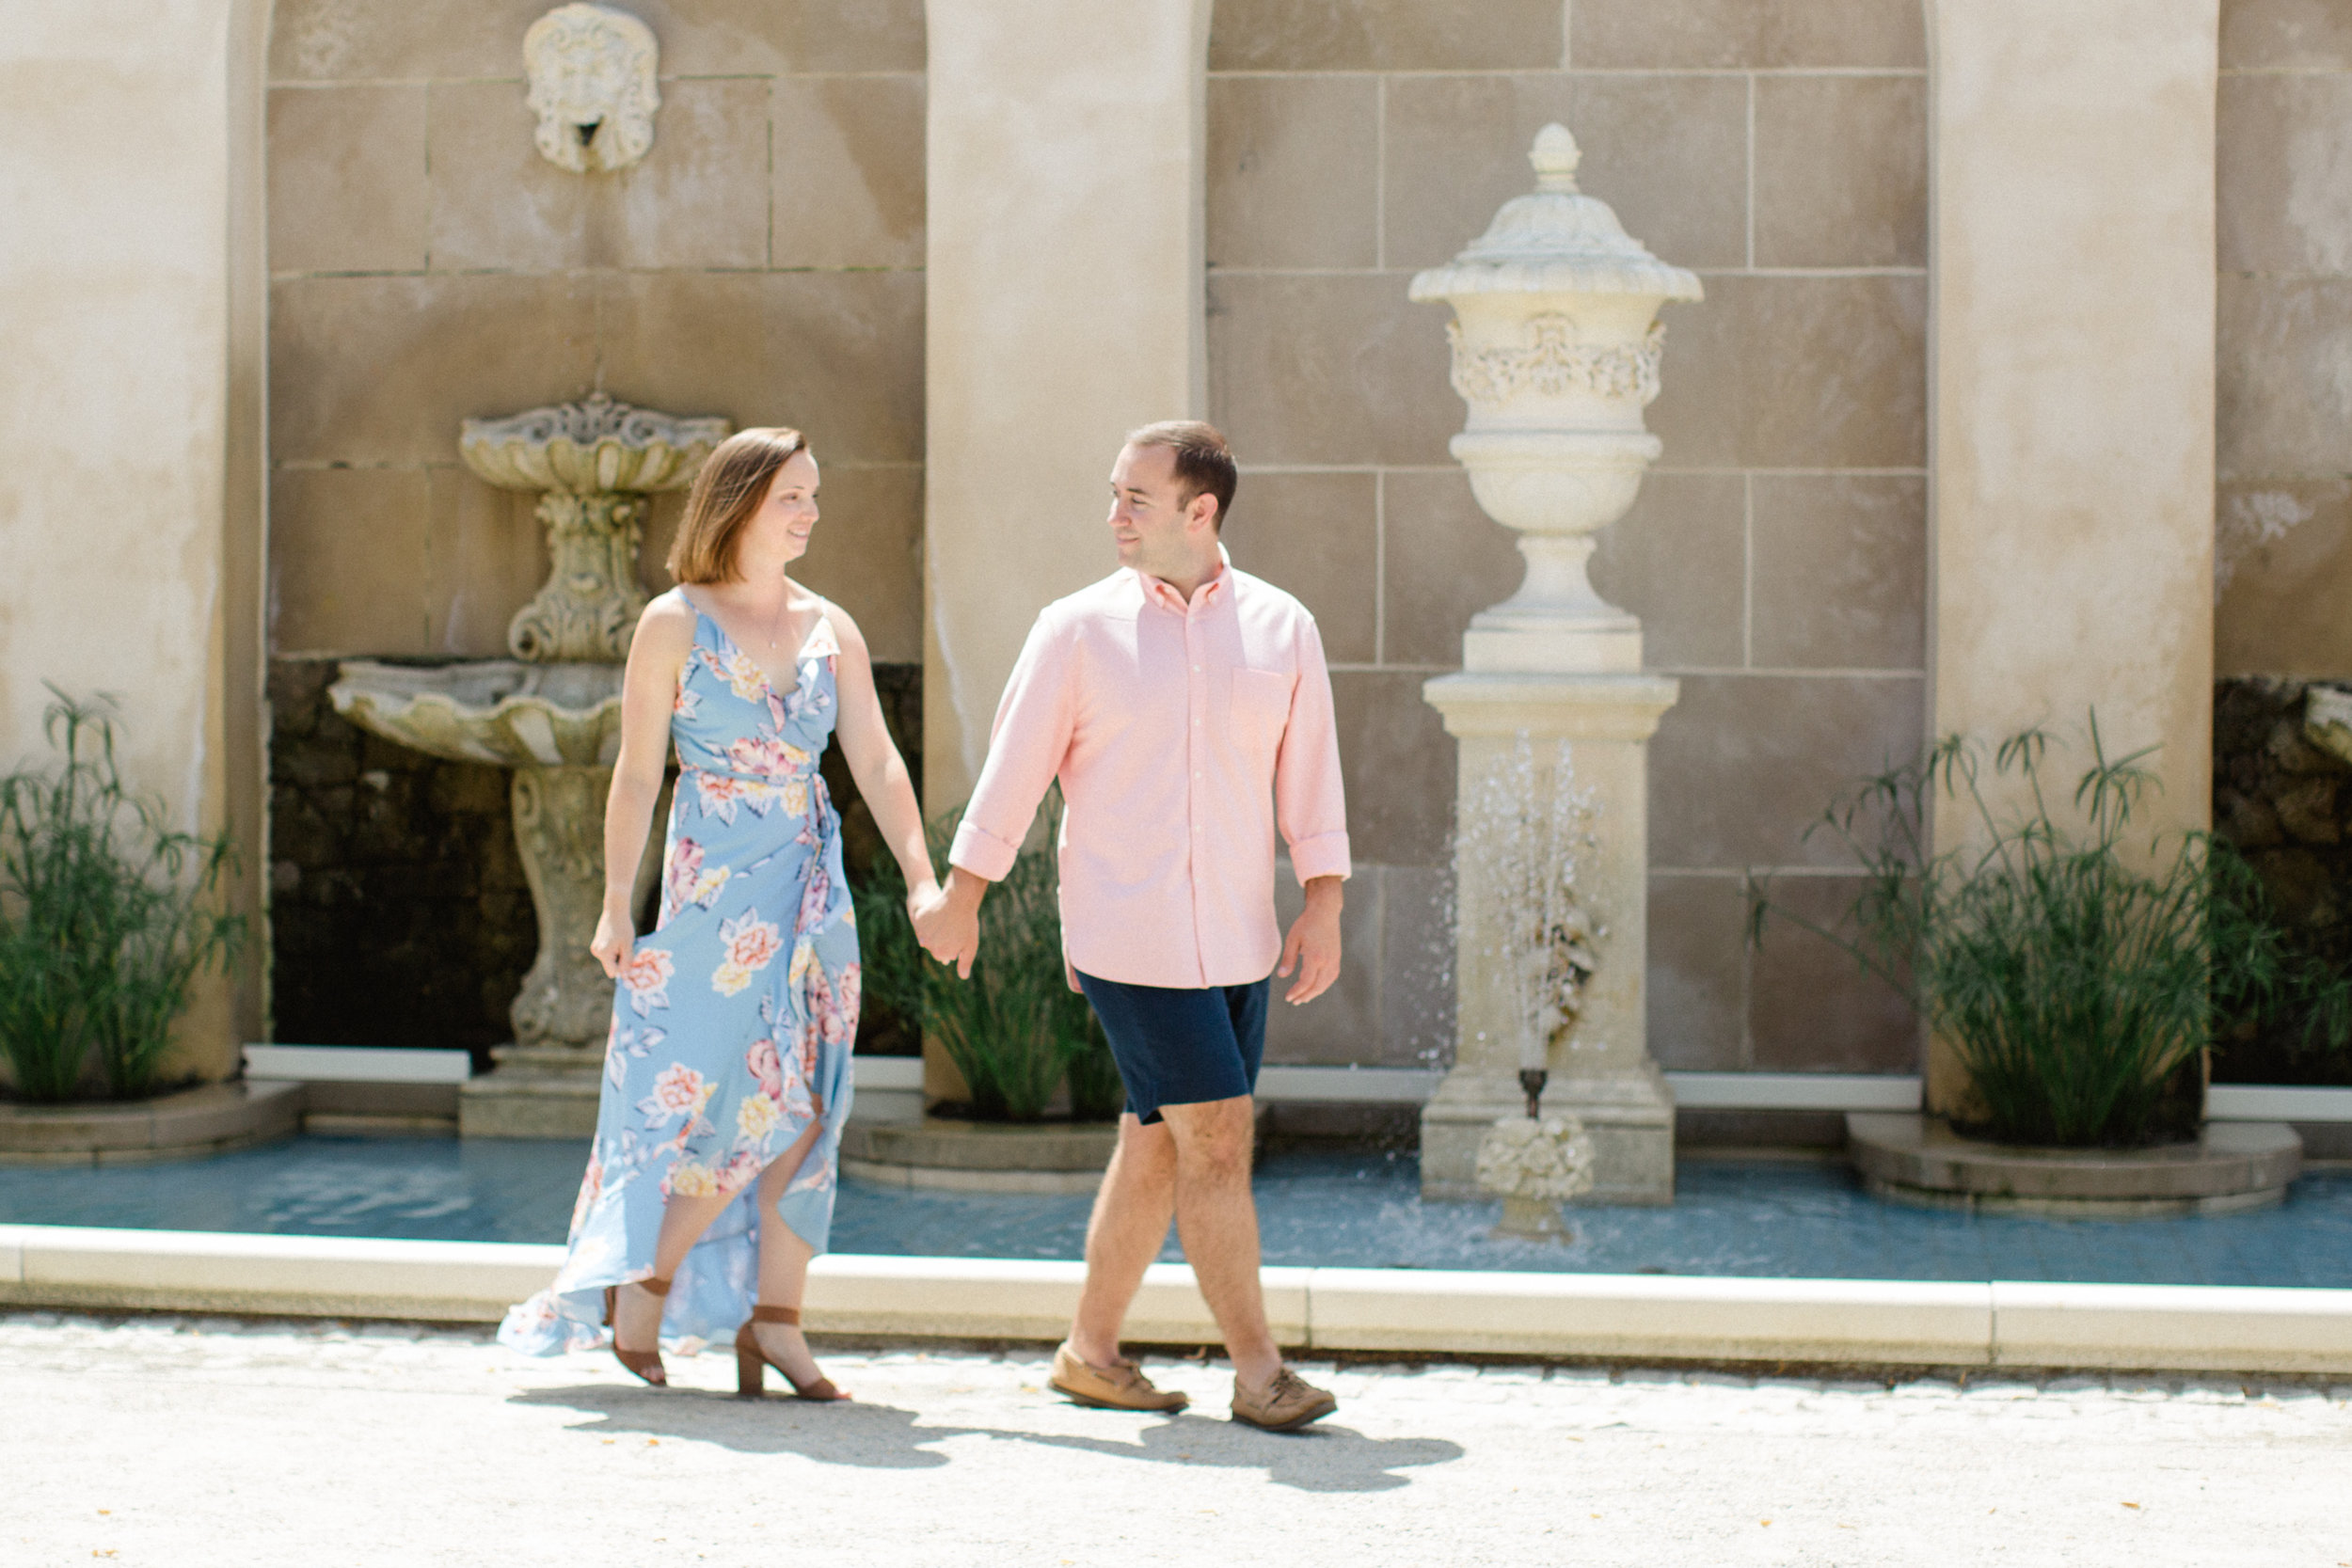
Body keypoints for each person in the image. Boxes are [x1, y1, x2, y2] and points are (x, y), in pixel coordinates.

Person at [914, 420, 1349, 1432]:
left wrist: (1321, 897)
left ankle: (1090, 1351)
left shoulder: (1283, 627)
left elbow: (1310, 770)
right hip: (1131, 936)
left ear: (1201, 512)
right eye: (1112, 494)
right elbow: (1014, 769)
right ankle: (1260, 1373)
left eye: (1135, 500)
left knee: (1155, 1146)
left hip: (1237, 937)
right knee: (1218, 1141)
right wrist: (963, 891)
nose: (1113, 516)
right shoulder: (1073, 628)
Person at [500, 427, 941, 1399]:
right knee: (723, 1099)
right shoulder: (674, 621)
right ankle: (644, 1277)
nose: (811, 512)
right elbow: (634, 774)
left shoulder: (834, 626)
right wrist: (617, 901)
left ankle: (774, 1322)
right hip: (712, 898)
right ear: (738, 500)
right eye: (793, 495)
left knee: (814, 1099)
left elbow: (875, 759)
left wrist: (919, 876)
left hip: (813, 887)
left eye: (814, 495)